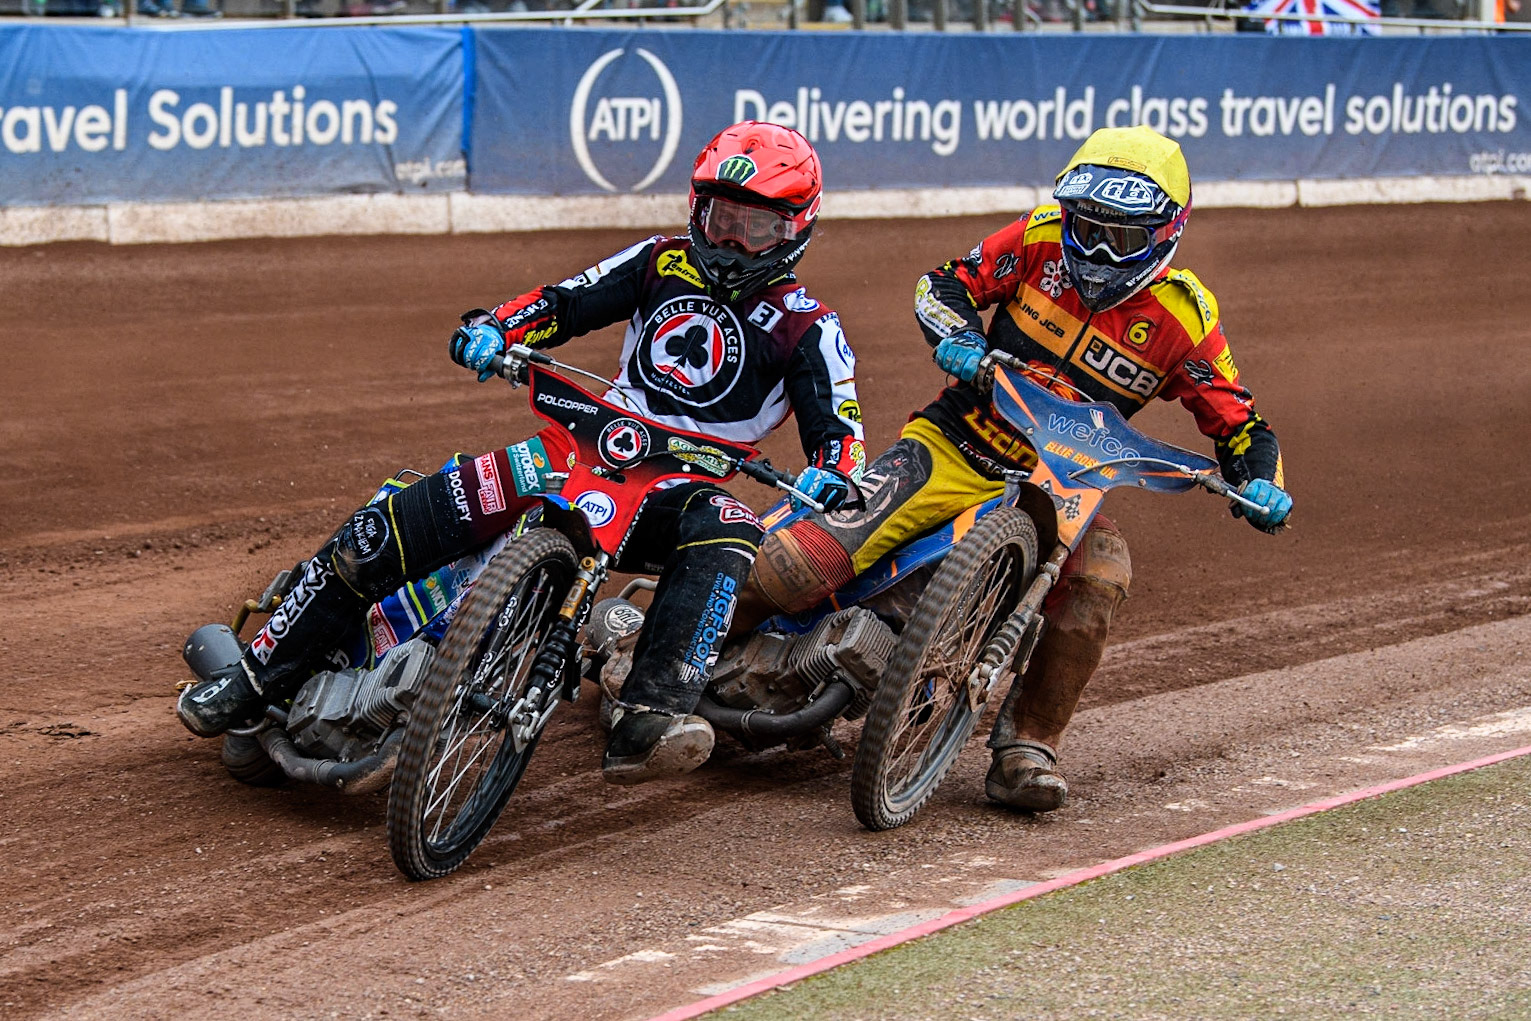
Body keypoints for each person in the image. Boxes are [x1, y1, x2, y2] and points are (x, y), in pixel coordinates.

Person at [177, 121, 865, 785]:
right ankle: (256, 675)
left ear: (794, 230)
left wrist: (834, 473)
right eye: (719, 217)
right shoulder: (658, 260)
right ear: (695, 207)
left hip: (686, 482)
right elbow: (564, 302)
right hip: (579, 444)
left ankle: (650, 715)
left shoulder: (811, 326)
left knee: (734, 528)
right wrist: (494, 326)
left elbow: (840, 434)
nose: (730, 241)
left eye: (755, 228)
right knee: (381, 529)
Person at [740, 124, 1291, 812]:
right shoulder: (1037, 238)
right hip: (957, 440)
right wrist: (958, 340)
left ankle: (1028, 745)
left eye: (1117, 237)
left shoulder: (1184, 316)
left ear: (1165, 233)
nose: (1092, 248)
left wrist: (1260, 482)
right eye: (1084, 225)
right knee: (795, 567)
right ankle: (672, 665)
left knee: (1103, 574)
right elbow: (942, 285)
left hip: (1068, 483)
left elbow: (1240, 425)